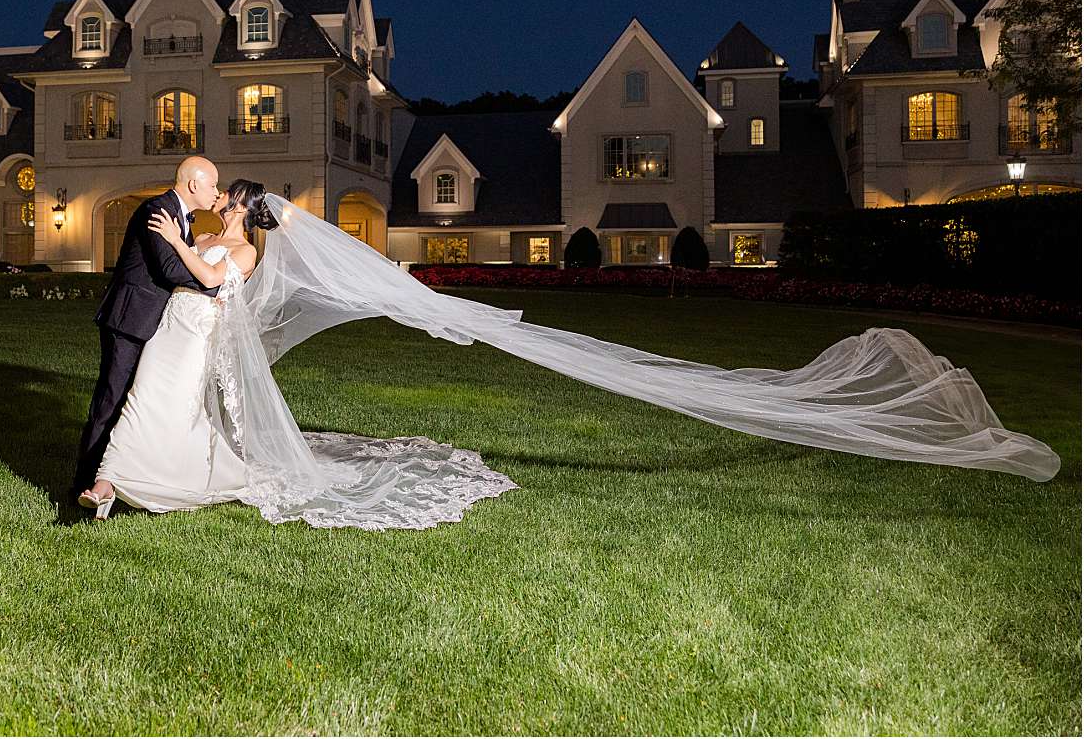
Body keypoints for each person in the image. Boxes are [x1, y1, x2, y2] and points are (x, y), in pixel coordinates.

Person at [78, 187, 1058, 530]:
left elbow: (216, 281)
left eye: (225, 210)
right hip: (188, 343)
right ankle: (134, 471)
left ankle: (135, 473)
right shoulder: (249, 245)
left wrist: (190, 250)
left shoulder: (242, 248)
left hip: (195, 331)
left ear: (241, 217)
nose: (219, 217)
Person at [76, 179, 265, 519]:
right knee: (140, 397)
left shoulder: (246, 250)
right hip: (168, 327)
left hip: (197, 335)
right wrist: (178, 242)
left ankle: (168, 472)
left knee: (177, 408)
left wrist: (176, 239)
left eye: (225, 192)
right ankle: (106, 483)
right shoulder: (204, 238)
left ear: (237, 206)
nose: (218, 194)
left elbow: (209, 278)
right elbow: (176, 271)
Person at [71, 156, 221, 507]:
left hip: (150, 322)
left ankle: (115, 480)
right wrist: (214, 287)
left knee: (132, 403)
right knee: (110, 401)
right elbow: (169, 268)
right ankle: (83, 483)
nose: (216, 191)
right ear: (195, 184)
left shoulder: (181, 216)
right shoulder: (159, 210)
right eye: (212, 184)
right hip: (129, 320)